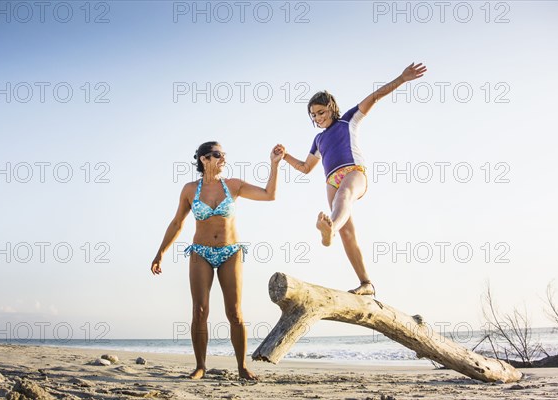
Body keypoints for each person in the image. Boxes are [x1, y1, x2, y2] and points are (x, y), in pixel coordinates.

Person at [275, 62, 427, 296]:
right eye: (314, 115)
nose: (318, 118)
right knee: (348, 233)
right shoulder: (318, 140)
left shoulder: (348, 120)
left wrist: (402, 78)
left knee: (344, 197)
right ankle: (366, 283)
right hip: (331, 181)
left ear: (332, 108)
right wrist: (284, 157)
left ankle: (330, 230)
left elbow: (375, 97)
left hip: (354, 172)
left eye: (321, 112)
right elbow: (306, 168)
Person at [151, 141, 284, 380]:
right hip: (200, 251)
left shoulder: (234, 185)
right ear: (204, 159)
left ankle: (242, 367)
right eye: (216, 154)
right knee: (199, 311)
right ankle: (200, 367)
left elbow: (269, 195)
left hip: (230, 251)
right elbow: (177, 223)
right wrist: (161, 252)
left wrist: (274, 165)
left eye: (224, 154)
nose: (222, 158)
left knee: (234, 312)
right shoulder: (190, 189)